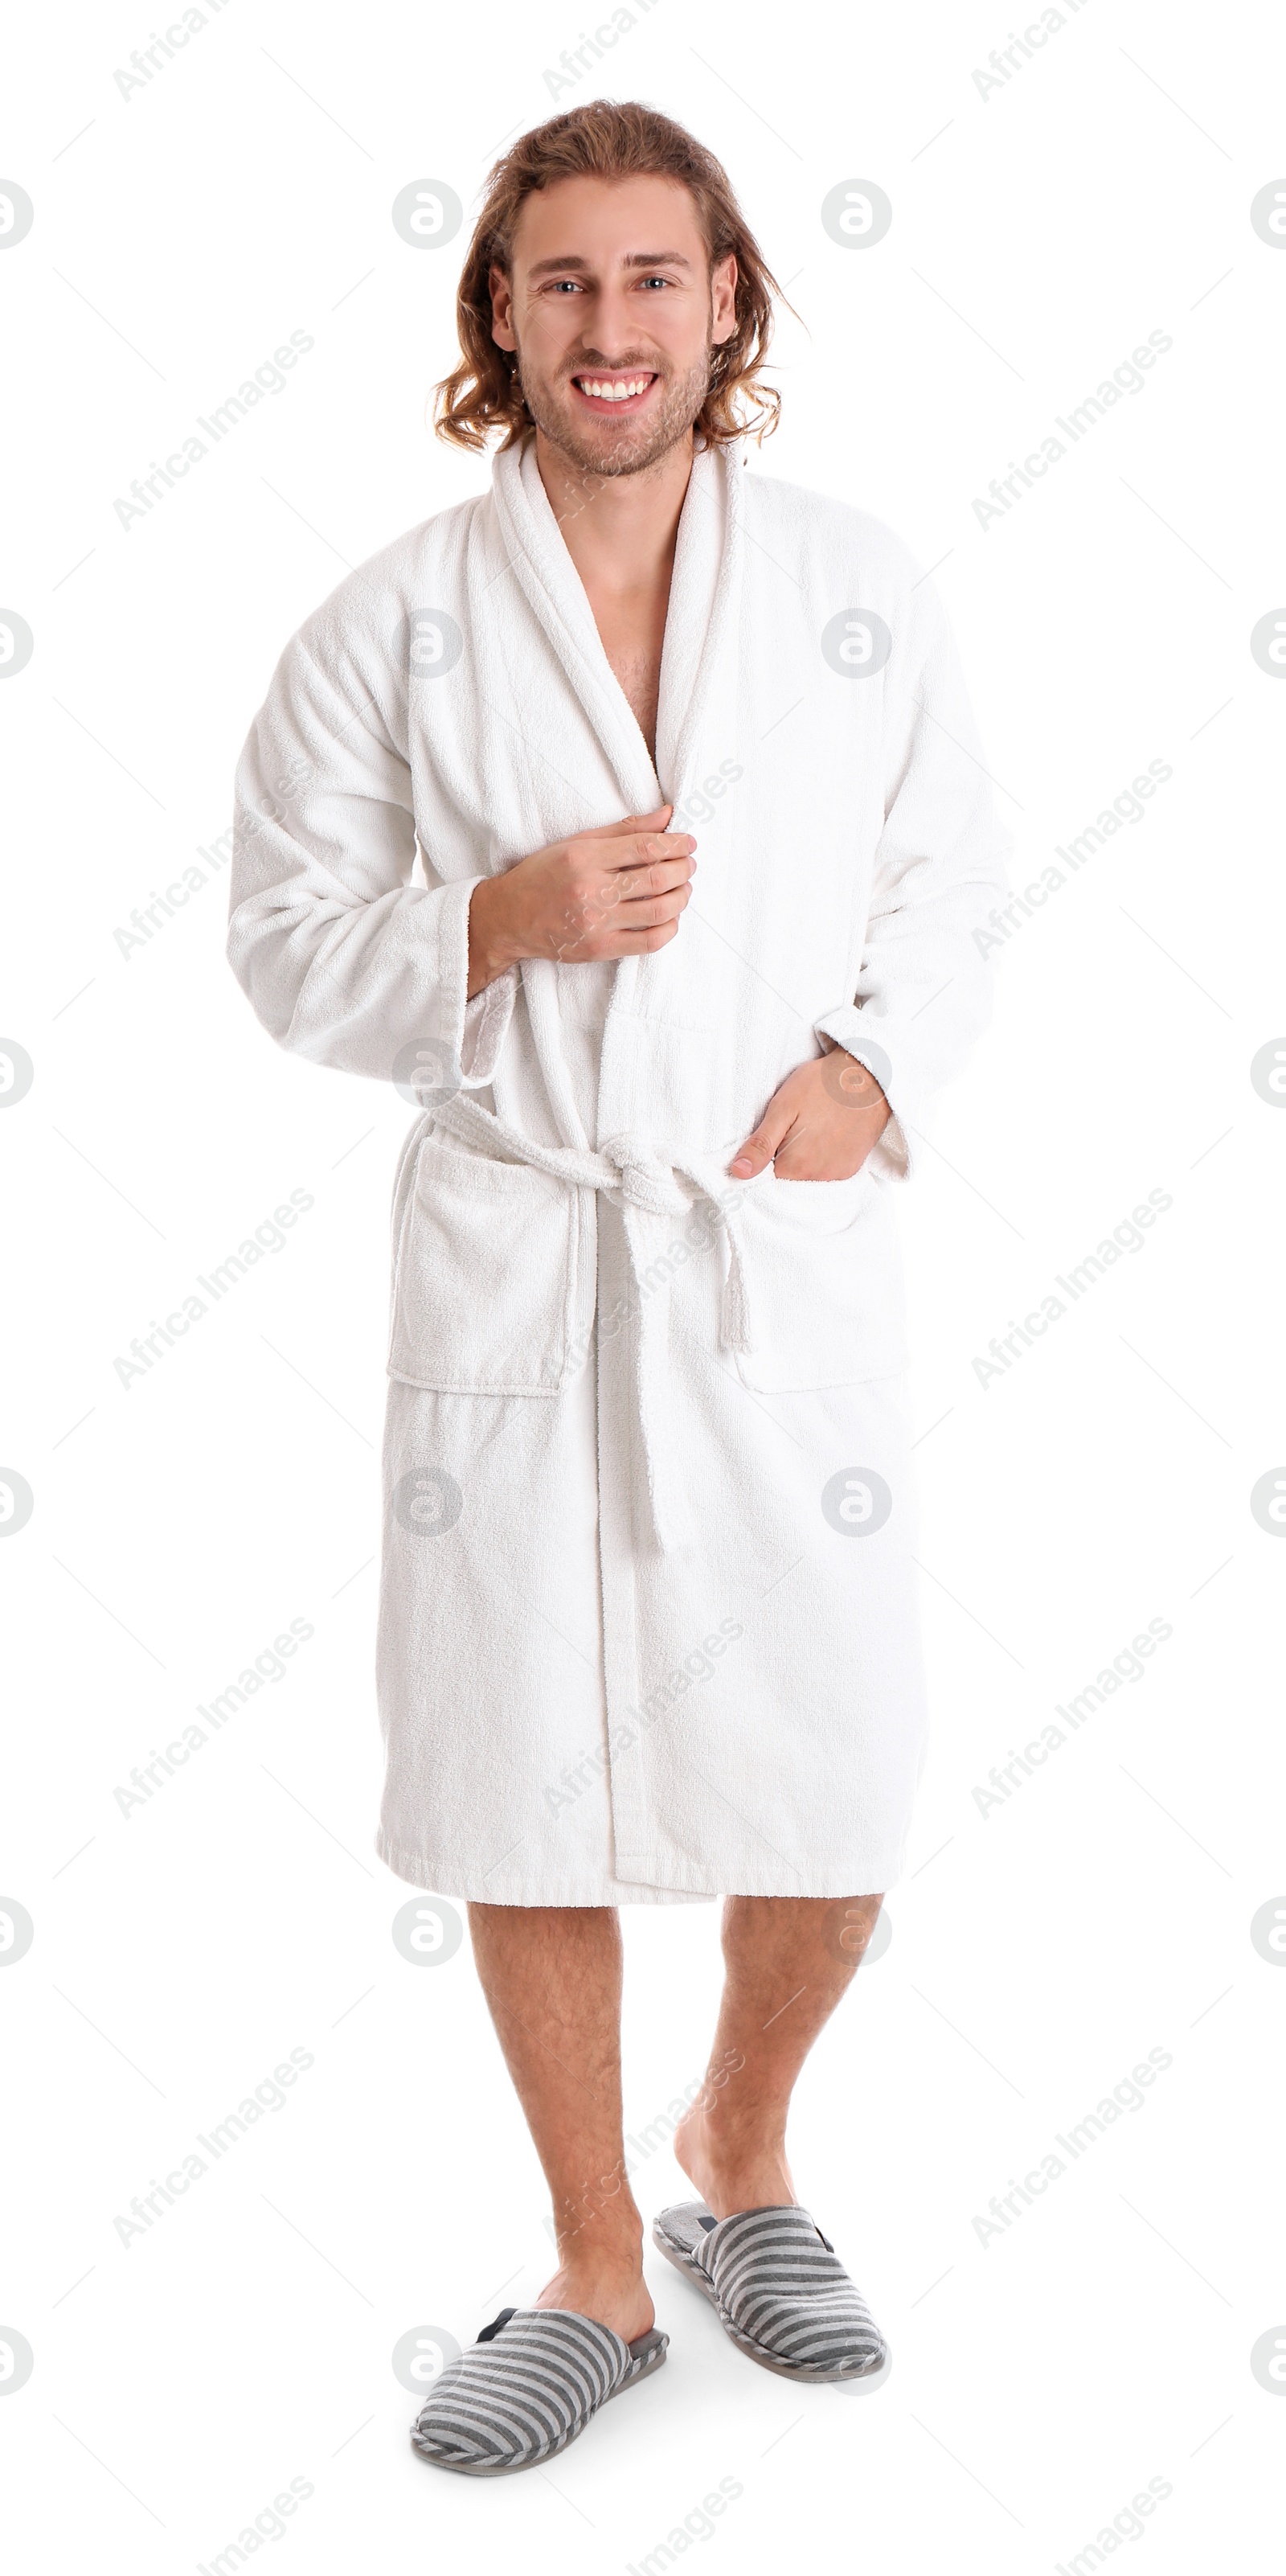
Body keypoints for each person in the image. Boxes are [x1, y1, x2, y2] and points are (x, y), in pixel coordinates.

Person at [227, 98, 1010, 2475]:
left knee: (839, 1760)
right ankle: (592, 2266)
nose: (610, 328)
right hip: (523, 1256)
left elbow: (953, 876)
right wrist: (500, 918)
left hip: (763, 1253)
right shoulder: (390, 620)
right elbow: (273, 946)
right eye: (562, 284)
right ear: (499, 313)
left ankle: (738, 2149)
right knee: (514, 1783)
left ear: (726, 299)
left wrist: (874, 1069)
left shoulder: (855, 585)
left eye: (652, 280)